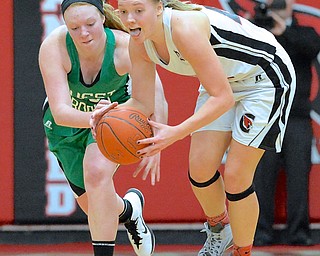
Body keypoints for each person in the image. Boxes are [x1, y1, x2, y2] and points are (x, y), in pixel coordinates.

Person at [90, 0, 296, 255]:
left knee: (236, 176)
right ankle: (220, 230)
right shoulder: (138, 43)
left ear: (158, 9)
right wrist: (109, 113)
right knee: (200, 169)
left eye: (138, 11)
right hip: (222, 82)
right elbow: (142, 102)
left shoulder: (182, 28)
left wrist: (176, 132)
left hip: (265, 77)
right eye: (124, 12)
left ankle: (242, 251)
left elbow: (223, 98)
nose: (130, 19)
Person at [39, 0, 168, 255]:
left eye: (90, 24)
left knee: (97, 174)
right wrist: (93, 117)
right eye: (74, 27)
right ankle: (129, 211)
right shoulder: (54, 47)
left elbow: (156, 93)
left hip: (113, 118)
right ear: (65, 25)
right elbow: (61, 111)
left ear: (102, 17)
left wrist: (158, 139)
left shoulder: (124, 46)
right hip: (66, 124)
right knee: (96, 207)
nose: (84, 33)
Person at [252, 0, 320, 246]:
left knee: (299, 176)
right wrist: (266, 30)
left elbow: (311, 47)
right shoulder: (255, 31)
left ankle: (299, 232)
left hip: (297, 117)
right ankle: (259, 231)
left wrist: (284, 31)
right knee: (261, 176)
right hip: (264, 117)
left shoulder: (304, 32)